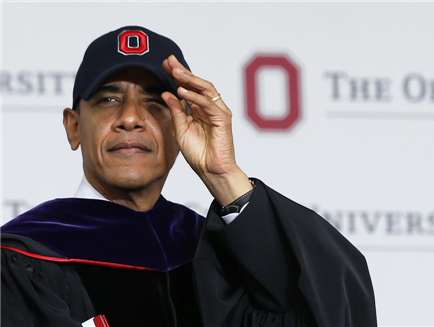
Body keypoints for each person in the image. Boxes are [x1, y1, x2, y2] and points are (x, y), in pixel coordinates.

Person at [1, 26, 377, 327]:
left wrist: (225, 176)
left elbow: (329, 312)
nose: (131, 118)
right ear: (73, 127)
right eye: (109, 99)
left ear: (186, 123)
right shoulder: (22, 259)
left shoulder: (210, 256)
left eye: (154, 101)